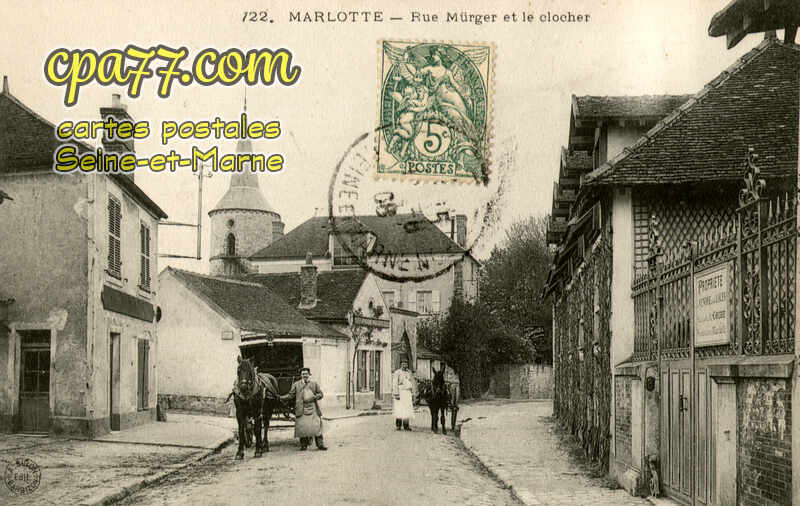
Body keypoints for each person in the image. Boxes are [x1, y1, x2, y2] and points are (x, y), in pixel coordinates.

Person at [281, 367, 327, 450]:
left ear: (309, 374)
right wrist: (281, 397)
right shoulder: (296, 385)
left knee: (317, 426)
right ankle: (303, 445)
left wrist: (314, 397)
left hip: (313, 408)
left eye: (306, 374)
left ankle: (320, 444)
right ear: (301, 375)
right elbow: (290, 395)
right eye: (303, 374)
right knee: (302, 426)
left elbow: (321, 394)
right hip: (301, 408)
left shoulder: (314, 384)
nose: (304, 375)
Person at [392, 360, 415, 431]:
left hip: (407, 393)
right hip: (400, 392)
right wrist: (396, 394)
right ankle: (398, 425)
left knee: (407, 409)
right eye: (403, 363)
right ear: (401, 364)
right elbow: (395, 383)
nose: (404, 365)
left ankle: (406, 425)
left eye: (406, 363)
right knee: (399, 409)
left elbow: (412, 382)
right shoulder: (397, 372)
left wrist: (413, 393)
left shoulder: (409, 372)